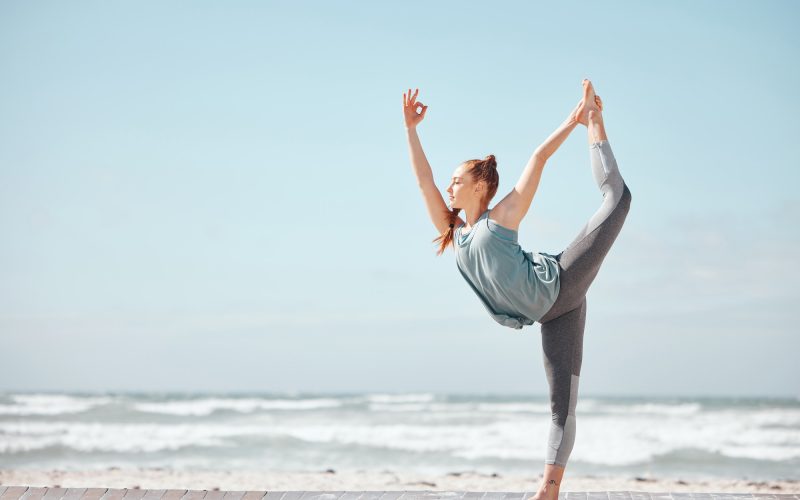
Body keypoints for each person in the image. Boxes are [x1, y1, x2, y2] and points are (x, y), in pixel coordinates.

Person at [402, 79, 632, 500]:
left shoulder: (501, 217)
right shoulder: (454, 231)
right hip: (552, 314)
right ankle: (550, 491)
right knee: (561, 406)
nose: (449, 188)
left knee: (617, 198)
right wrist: (411, 130)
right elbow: (423, 180)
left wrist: (575, 119)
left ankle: (596, 122)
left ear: (477, 186)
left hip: (564, 278)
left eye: (457, 180)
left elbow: (538, 159)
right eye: (450, 181)